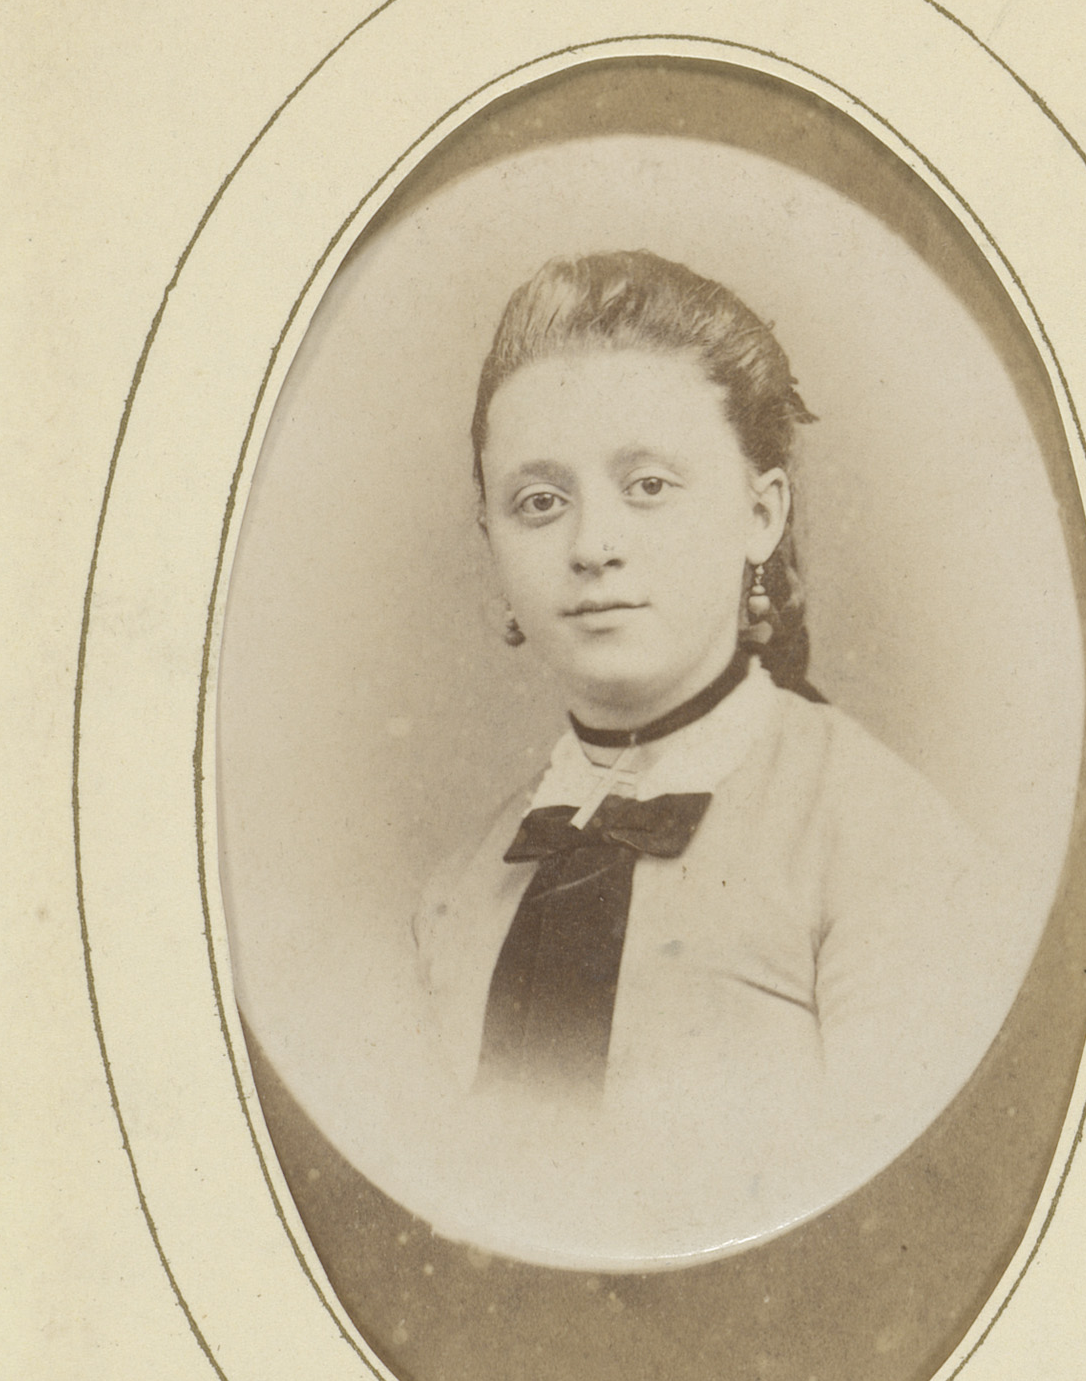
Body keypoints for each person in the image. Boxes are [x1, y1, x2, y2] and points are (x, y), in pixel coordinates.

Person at [411, 251, 1021, 1253]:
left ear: (760, 513)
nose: (591, 545)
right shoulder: (457, 892)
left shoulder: (886, 846)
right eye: (539, 501)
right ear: (493, 540)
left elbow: (907, 1236)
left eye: (647, 485)